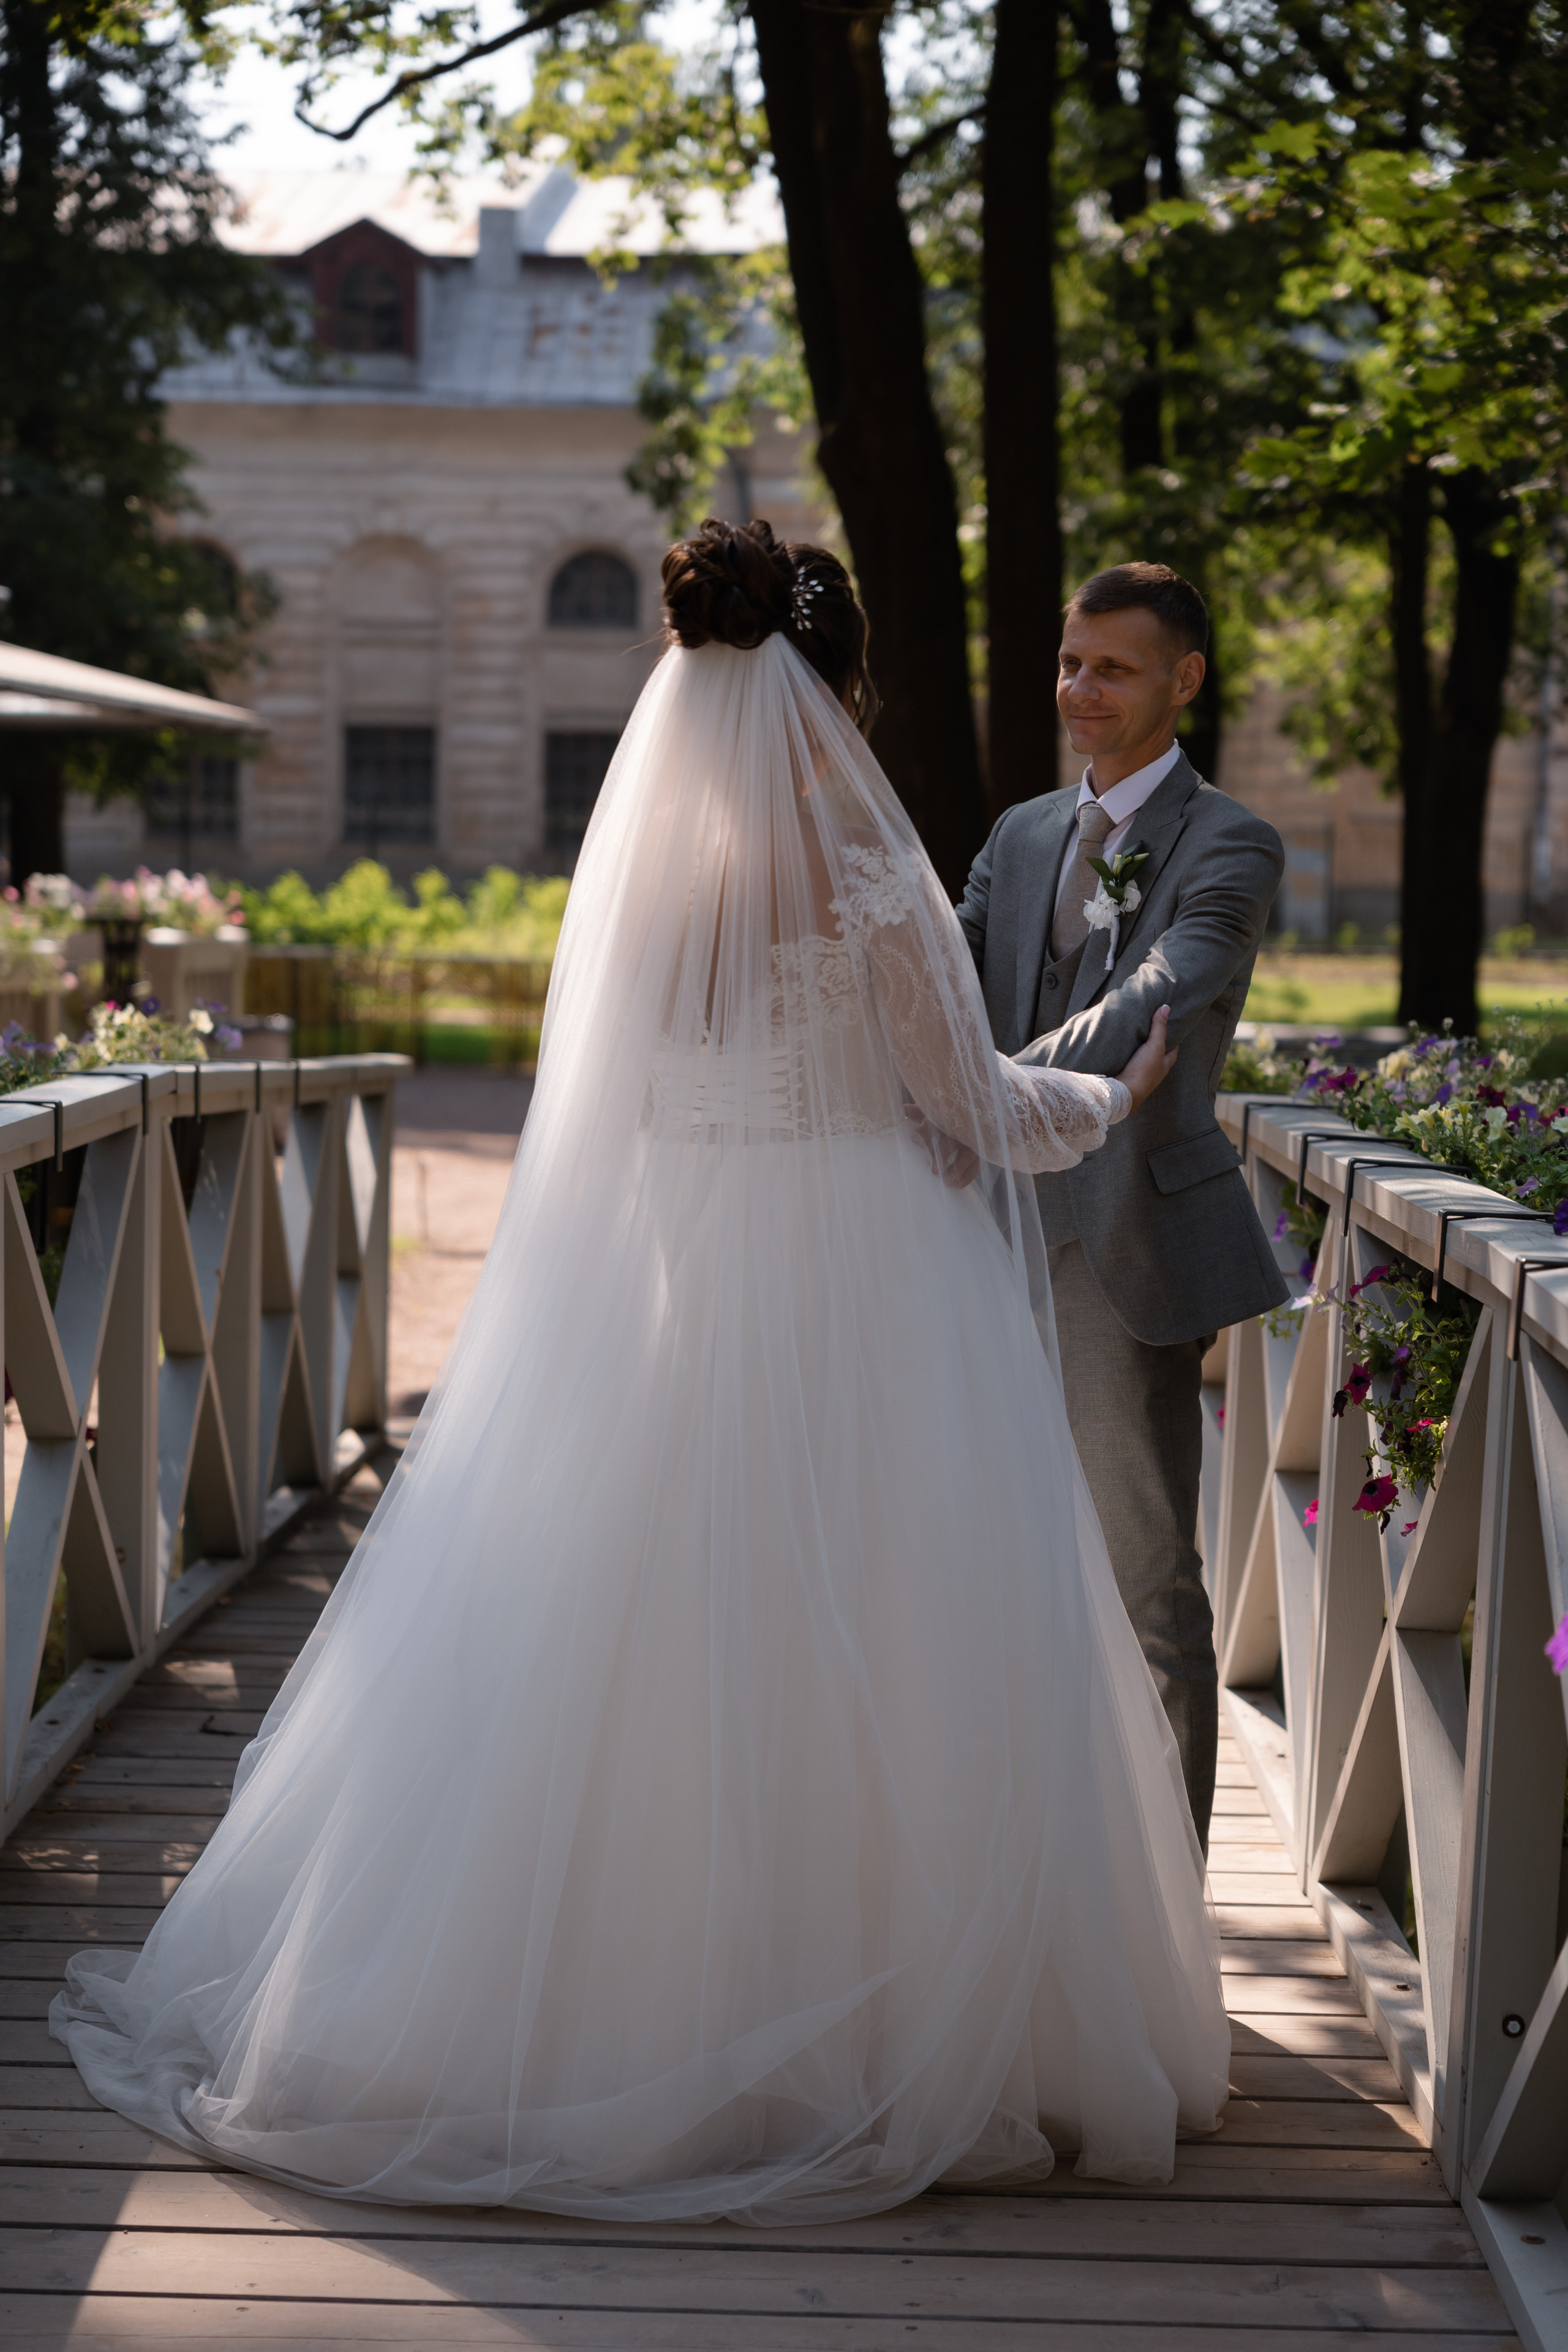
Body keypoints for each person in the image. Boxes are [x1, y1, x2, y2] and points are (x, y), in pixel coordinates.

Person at [53, 521, 1229, 2225]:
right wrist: (1114, 1094)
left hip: (678, 1276)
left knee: (647, 1623)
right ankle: (873, 2031)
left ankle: (596, 2016)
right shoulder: (864, 859)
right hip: (857, 1276)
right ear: (842, 686)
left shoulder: (661, 868)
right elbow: (968, 1103)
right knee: (885, 1622)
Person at [954, 563, 1289, 1851]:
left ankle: (1170, 1911)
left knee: (1144, 1586)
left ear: (1183, 680)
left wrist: (987, 1091)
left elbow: (1161, 993)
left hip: (1120, 1252)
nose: (1078, 690)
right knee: (977, 1574)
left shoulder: (1232, 841)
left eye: (1112, 668)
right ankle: (1022, 1880)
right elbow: (938, 980)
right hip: (971, 1240)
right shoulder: (1020, 833)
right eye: (1068, 663)